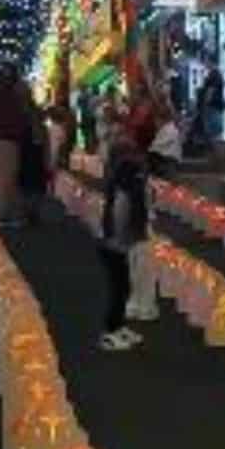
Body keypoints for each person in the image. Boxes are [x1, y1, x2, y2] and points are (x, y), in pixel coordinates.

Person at [97, 135, 150, 352]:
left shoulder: (123, 173)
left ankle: (119, 327)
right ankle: (110, 332)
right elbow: (122, 205)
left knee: (124, 285)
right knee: (119, 288)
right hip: (114, 241)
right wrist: (120, 236)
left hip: (116, 239)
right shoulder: (126, 175)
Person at [0, 68, 33, 224]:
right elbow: (21, 114)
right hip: (7, 137)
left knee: (5, 174)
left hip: (1, 137)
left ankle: (6, 211)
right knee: (7, 175)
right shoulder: (8, 96)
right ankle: (4, 213)